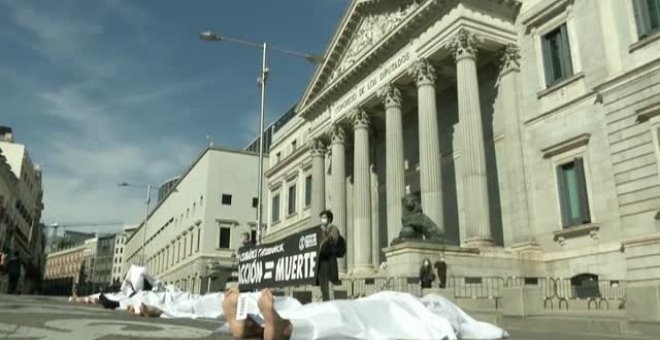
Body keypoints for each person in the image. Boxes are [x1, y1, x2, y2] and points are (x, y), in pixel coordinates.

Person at [217, 287, 508, 340]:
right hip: (395, 307)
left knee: (338, 311)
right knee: (348, 316)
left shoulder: (433, 305)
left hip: (390, 304)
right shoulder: (437, 306)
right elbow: (476, 329)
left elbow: (472, 328)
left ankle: (257, 327)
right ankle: (273, 327)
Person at [315, 209, 340, 301]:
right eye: (321, 218)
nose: (322, 219)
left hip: (329, 262)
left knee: (329, 290)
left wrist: (325, 232)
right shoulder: (319, 231)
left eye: (324, 217)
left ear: (329, 219)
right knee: (322, 290)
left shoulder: (333, 229)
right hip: (321, 264)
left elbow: (333, 240)